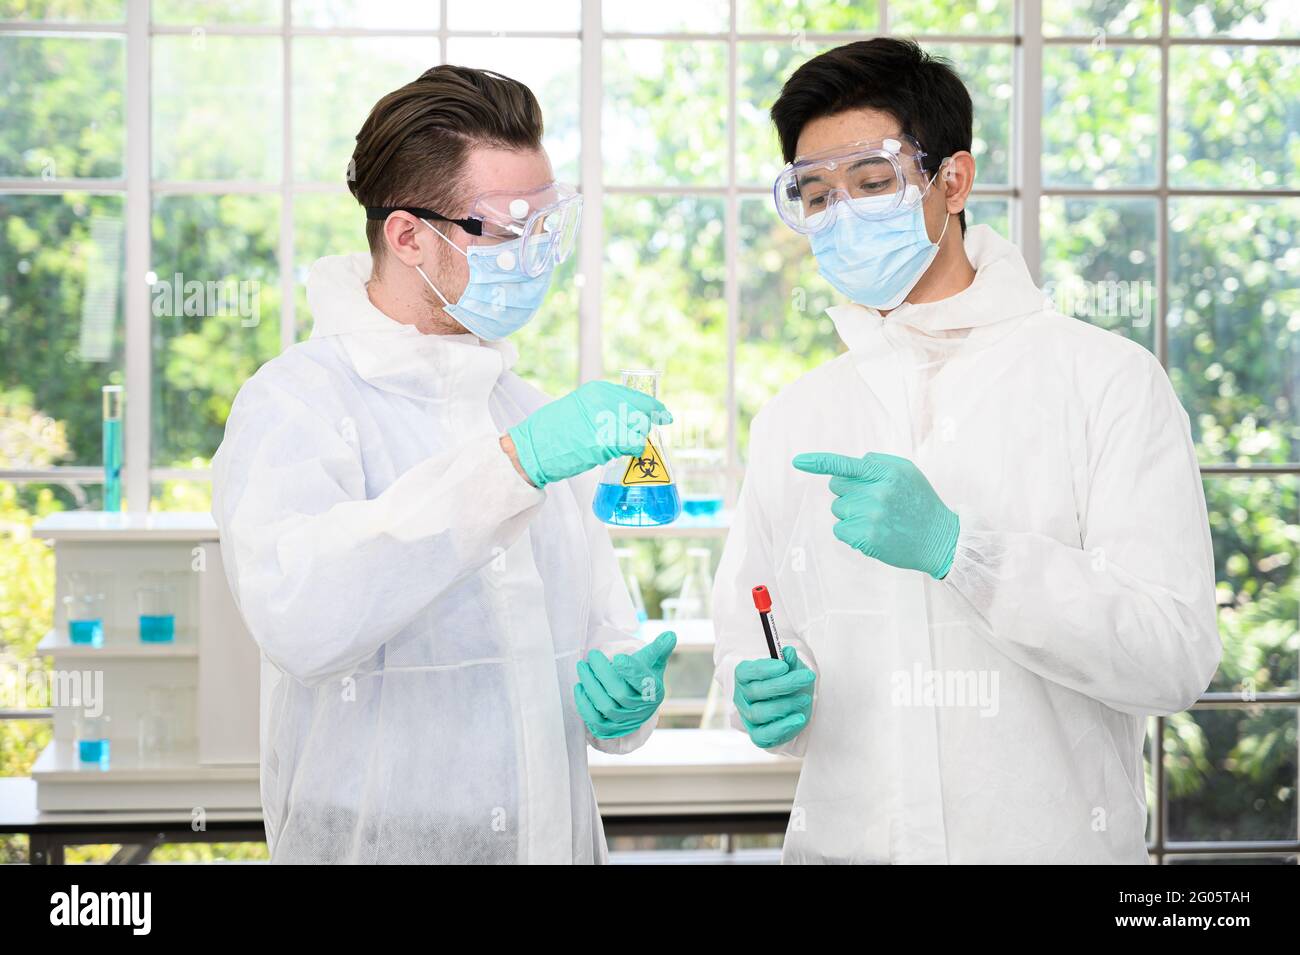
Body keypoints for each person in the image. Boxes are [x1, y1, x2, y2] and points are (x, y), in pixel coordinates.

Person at [711, 38, 1221, 864]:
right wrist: (765, 694)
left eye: (872, 184)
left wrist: (965, 553)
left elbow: (1172, 656)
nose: (841, 217)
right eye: (814, 194)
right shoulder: (794, 420)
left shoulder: (1106, 382)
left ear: (953, 180)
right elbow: (755, 637)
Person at [212, 65, 676, 864]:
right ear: (407, 235)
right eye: (503, 228)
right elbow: (301, 618)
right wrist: (507, 470)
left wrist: (626, 696)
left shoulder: (528, 412)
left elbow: (605, 629)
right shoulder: (298, 402)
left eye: (546, 223)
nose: (534, 256)